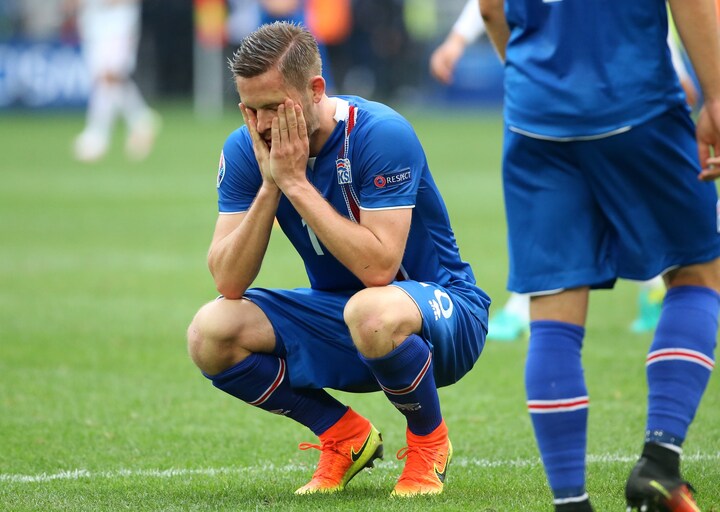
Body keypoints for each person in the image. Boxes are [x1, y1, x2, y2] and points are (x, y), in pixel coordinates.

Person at [186, 21, 490, 496]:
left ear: (315, 90)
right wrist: (271, 185)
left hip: (446, 314)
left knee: (369, 310)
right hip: (349, 316)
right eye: (250, 109)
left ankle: (429, 441)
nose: (262, 125)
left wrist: (296, 184)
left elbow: (379, 269)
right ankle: (344, 436)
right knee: (210, 332)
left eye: (275, 107)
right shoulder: (247, 149)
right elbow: (228, 280)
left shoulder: (381, 134)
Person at [479, 0, 720, 510]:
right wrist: (717, 97)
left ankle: (571, 502)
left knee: (553, 306)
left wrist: (534, 80)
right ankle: (659, 464)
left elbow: (489, 11)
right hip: (635, 102)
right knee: (699, 268)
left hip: (534, 116)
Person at [67, 0, 159, 163]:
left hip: (118, 19)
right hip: (93, 21)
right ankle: (141, 118)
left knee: (110, 75)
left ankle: (97, 135)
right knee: (103, 79)